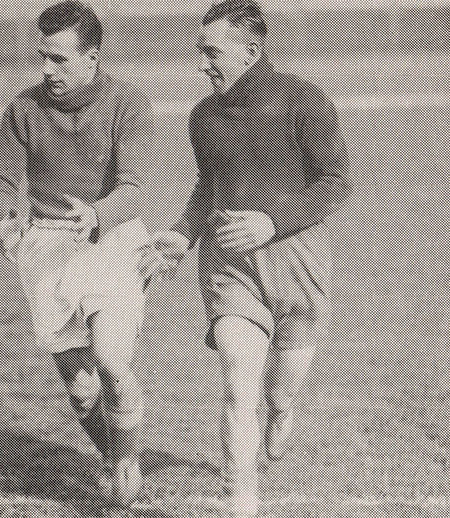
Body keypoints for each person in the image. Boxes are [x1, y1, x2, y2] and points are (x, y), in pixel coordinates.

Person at [151, 1, 353, 515]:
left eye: (212, 52)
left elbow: (336, 183)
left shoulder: (302, 99)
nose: (202, 64)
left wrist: (272, 222)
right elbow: (207, 186)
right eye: (200, 52)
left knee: (277, 390)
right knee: (239, 381)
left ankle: (282, 408)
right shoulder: (202, 116)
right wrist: (183, 234)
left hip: (295, 259)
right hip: (228, 264)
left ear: (251, 49)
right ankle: (244, 503)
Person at [0, 0, 176, 506]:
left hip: (110, 240)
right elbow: (2, 181)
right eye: (42, 58)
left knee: (112, 361)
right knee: (82, 390)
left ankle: (127, 460)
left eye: (60, 60)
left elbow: (137, 186)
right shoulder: (23, 110)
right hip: (46, 247)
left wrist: (96, 215)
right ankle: (113, 456)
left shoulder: (127, 102)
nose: (47, 70)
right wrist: (5, 219)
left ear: (92, 59)